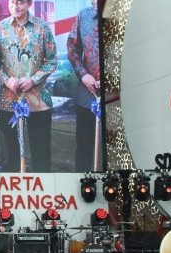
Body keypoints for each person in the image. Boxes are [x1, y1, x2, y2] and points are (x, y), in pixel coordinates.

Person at [0, 0, 57, 172]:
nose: (15, 6)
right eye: (12, 2)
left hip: (38, 101)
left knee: (41, 156)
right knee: (9, 157)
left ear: (29, 4)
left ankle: (42, 195)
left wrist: (33, 80)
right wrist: (6, 80)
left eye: (20, 2)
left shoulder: (42, 28)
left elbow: (51, 60)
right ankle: (11, 197)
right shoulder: (0, 28)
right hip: (9, 101)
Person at [67, 0, 101, 172]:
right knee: (84, 149)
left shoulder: (124, 18)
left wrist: (112, 78)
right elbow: (72, 48)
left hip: (117, 98)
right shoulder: (84, 16)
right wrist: (83, 74)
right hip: (87, 96)